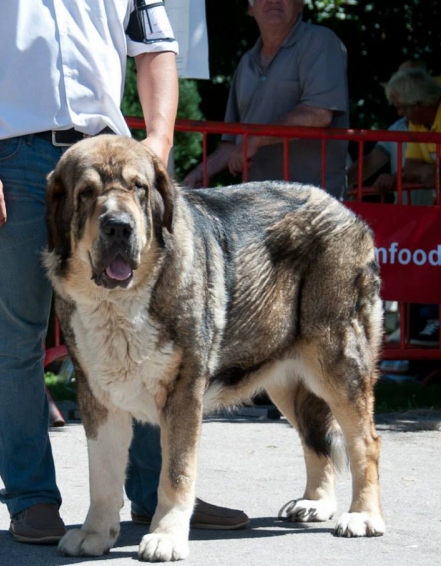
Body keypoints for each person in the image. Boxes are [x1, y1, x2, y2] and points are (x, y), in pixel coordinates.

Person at [0, 0, 248, 543]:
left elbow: (156, 45)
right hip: (5, 163)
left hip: (110, 160)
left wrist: (158, 144)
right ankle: (31, 501)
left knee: (148, 336)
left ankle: (161, 498)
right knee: (14, 339)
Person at [183, 0, 349, 198]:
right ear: (250, 8)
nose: (273, 0)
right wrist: (200, 173)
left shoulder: (320, 41)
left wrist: (255, 140)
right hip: (257, 207)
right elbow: (233, 143)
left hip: (313, 206)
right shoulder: (246, 63)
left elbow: (319, 114)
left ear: (300, 5)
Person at [383, 67, 441, 346]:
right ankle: (427, 326)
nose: (400, 115)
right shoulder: (419, 122)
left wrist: (434, 172)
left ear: (418, 104)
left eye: (402, 108)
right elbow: (414, 168)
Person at [347, 61, 436, 206]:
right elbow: (371, 161)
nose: (399, 111)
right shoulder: (399, 127)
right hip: (412, 214)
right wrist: (337, 183)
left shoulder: (423, 121)